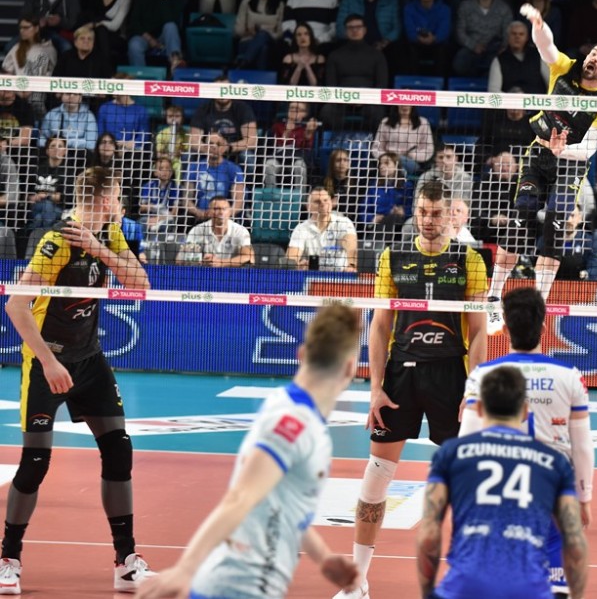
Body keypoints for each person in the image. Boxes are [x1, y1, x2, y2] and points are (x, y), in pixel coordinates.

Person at [134, 303, 361, 599]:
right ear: (350, 367)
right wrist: (185, 569)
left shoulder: (292, 409)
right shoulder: (293, 423)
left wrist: (323, 557)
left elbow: (283, 504)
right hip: (238, 587)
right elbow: (241, 496)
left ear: (302, 354)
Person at [1, 166, 154, 594]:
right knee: (35, 462)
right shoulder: (56, 243)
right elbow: (15, 306)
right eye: (118, 196)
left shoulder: (110, 234)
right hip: (47, 362)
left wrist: (99, 249)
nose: (121, 204)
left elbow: (141, 283)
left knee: (119, 450)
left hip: (89, 359)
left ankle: (125, 561)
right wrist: (49, 362)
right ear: (104, 200)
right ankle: (9, 558)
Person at [334, 180, 487, 599]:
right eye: (423, 212)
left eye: (436, 213)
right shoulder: (393, 257)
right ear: (416, 212)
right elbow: (380, 325)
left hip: (450, 376)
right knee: (375, 479)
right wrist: (375, 387)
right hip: (401, 376)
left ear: (450, 214)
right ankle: (357, 583)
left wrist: (473, 390)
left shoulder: (470, 260)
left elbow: (478, 332)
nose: (429, 220)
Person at [485, 2, 597, 335]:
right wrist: (537, 23)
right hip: (538, 156)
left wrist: (566, 150)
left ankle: (538, 307)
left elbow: (591, 146)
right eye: (593, 53)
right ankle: (492, 298)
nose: (594, 58)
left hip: (571, 166)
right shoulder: (566, 68)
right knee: (520, 218)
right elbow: (547, 46)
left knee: (555, 230)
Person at [454, 288, 593, 597]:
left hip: (500, 488)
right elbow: (582, 445)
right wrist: (584, 497)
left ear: (504, 328)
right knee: (558, 582)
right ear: (544, 326)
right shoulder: (570, 376)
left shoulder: (483, 375)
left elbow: (468, 442)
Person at [418, 364, 588, 599]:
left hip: (463, 589)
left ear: (478, 408)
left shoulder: (450, 454)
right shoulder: (554, 463)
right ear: (525, 410)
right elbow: (575, 543)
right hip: (529, 591)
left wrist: (427, 592)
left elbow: (429, 534)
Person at [287, 187, 357, 271]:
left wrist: (351, 265)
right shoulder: (301, 229)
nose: (323, 204)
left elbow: (351, 245)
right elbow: (292, 257)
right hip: (312, 276)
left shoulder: (344, 222)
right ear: (308, 207)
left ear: (331, 203)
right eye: (317, 202)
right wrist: (297, 266)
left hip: (340, 275)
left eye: (326, 200)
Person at [177, 195, 254, 267]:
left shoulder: (240, 231)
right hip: (203, 273)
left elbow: (250, 258)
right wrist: (202, 261)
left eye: (224, 209)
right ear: (209, 212)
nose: (221, 212)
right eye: (216, 209)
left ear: (230, 212)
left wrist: (221, 262)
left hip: (232, 274)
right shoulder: (197, 230)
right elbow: (179, 260)